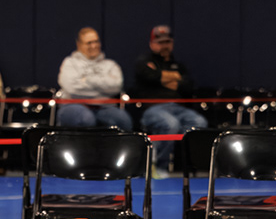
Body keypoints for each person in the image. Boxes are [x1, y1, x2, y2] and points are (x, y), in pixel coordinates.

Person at [132, 25, 207, 165]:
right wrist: (174, 77)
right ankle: (159, 165)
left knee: (199, 122)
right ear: (152, 44)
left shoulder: (179, 65)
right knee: (171, 124)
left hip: (178, 108)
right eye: (160, 42)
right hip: (152, 109)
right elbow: (150, 76)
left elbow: (188, 85)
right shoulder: (144, 62)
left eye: (167, 42)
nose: (164, 46)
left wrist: (161, 78)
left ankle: (182, 163)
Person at [55, 28, 130, 129]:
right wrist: (101, 90)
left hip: (104, 107)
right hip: (73, 105)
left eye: (96, 41)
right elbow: (72, 88)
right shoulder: (69, 63)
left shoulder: (111, 65)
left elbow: (116, 86)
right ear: (79, 44)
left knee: (123, 120)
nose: (94, 46)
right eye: (89, 43)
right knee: (85, 119)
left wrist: (85, 80)